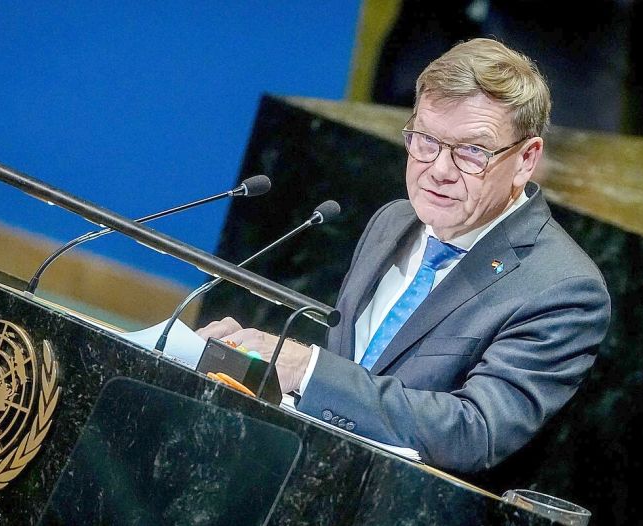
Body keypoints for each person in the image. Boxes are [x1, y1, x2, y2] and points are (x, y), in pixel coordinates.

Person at [197, 38, 611, 473]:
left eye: (472, 151)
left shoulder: (561, 287)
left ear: (526, 158)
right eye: (426, 140)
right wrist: (257, 362)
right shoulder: (395, 221)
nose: (440, 170)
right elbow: (352, 374)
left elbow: (476, 431)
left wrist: (308, 368)